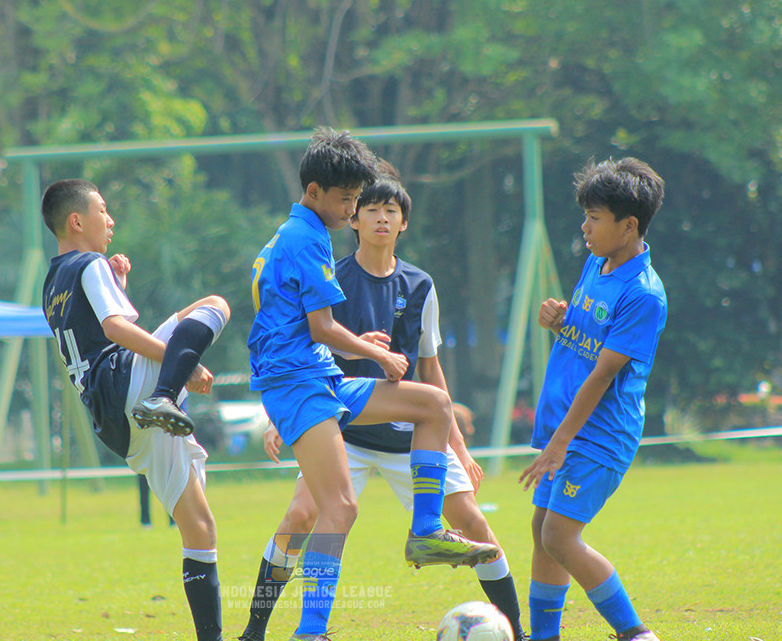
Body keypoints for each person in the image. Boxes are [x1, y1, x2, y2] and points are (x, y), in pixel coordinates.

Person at [239, 162, 521, 641]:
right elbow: (317, 330)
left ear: (404, 221)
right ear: (330, 202)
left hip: (353, 405)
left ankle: (432, 538)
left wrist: (458, 446)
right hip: (324, 407)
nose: (366, 212)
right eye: (357, 203)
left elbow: (422, 363)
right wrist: (373, 354)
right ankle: (277, 630)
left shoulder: (415, 282)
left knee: (437, 414)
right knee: (314, 515)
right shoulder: (314, 246)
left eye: (384, 207)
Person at [41, 178, 230, 641]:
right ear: (76, 220)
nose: (110, 220)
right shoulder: (90, 263)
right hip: (127, 386)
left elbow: (96, 331)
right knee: (214, 305)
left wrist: (119, 285)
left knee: (200, 528)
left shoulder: (51, 284)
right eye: (103, 210)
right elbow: (116, 330)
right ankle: (163, 396)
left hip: (114, 423)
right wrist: (182, 366)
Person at [518, 157, 667, 641]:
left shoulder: (645, 294)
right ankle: (545, 636)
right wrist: (558, 319)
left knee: (559, 536)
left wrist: (558, 444)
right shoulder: (596, 263)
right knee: (542, 530)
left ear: (629, 226)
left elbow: (603, 374)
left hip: (599, 434)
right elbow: (586, 336)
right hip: (569, 427)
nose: (584, 227)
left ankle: (635, 633)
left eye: (594, 218)